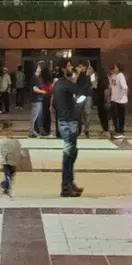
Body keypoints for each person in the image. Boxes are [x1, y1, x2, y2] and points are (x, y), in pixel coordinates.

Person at [52, 62, 84, 198]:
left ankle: (70, 183)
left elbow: (54, 105)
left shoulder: (58, 84)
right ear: (64, 69)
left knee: (71, 153)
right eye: (70, 66)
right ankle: (66, 187)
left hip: (62, 121)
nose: (72, 68)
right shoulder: (67, 84)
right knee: (69, 155)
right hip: (70, 121)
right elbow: (82, 94)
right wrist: (77, 104)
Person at [0, 130, 27, 196]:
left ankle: (4, 185)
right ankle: (5, 186)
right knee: (8, 174)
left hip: (9, 161)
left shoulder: (12, 142)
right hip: (7, 161)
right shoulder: (11, 142)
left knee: (10, 174)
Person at [31, 61, 53, 137]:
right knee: (36, 116)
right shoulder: (34, 78)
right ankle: (32, 131)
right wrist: (43, 92)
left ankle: (38, 130)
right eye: (39, 67)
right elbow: (34, 88)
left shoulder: (39, 77)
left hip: (39, 99)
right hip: (36, 99)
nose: (40, 68)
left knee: (40, 116)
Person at [106, 63, 128, 140]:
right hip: (114, 99)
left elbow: (125, 87)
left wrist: (121, 96)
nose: (114, 69)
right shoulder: (113, 76)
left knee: (121, 116)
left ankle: (120, 130)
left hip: (121, 100)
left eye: (115, 67)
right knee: (115, 116)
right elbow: (111, 87)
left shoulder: (121, 76)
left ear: (118, 68)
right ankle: (117, 130)